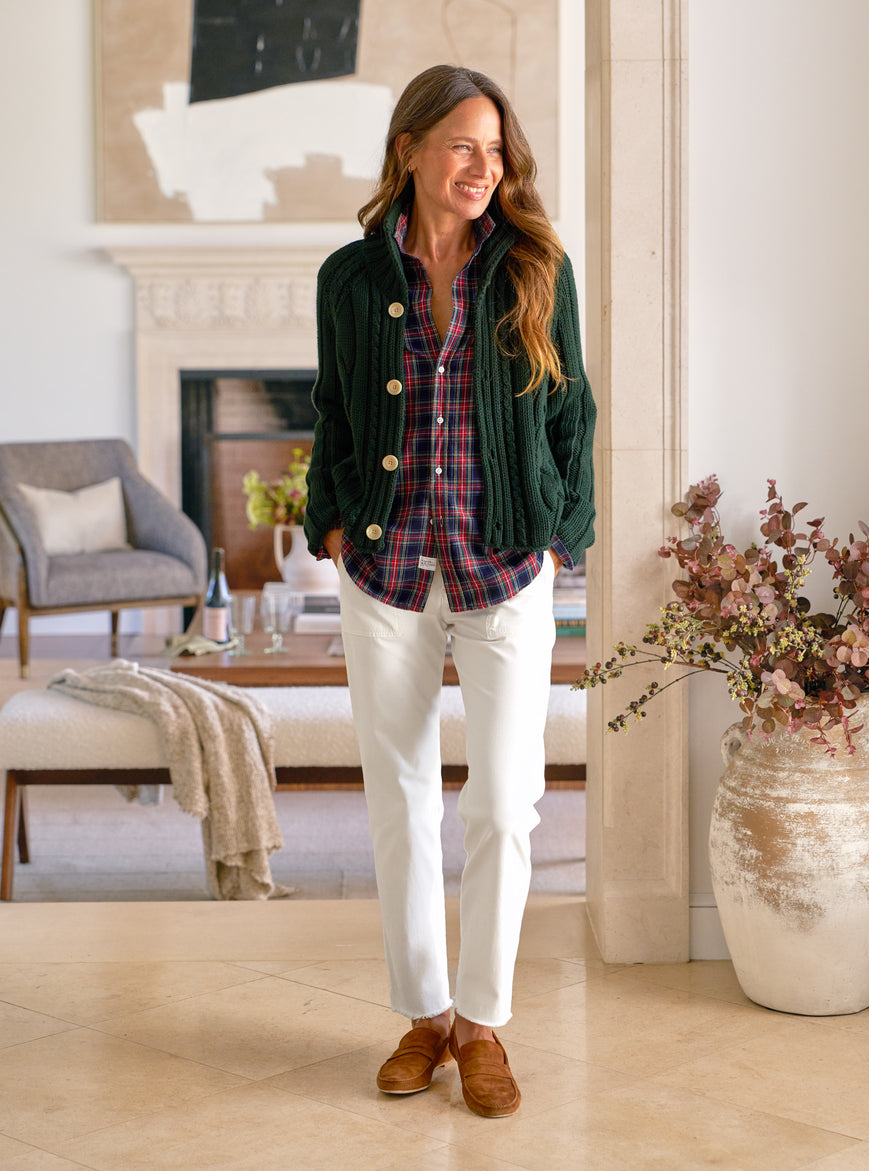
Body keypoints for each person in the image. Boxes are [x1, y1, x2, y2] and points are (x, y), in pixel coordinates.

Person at [305, 63, 595, 1118]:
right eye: (463, 145)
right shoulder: (349, 277)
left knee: (507, 802)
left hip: (504, 561)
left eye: (496, 149)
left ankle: (482, 1024)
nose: (484, 167)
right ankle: (425, 1015)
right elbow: (334, 410)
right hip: (386, 567)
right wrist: (332, 521)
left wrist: (562, 537)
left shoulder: (536, 267)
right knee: (401, 797)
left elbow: (573, 411)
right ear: (411, 150)